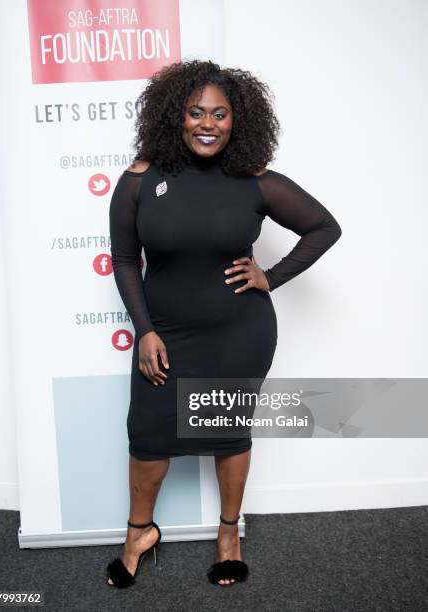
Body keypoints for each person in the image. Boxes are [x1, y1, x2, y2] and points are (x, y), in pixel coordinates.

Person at [106, 59, 342, 589]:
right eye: (195, 112)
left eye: (220, 113)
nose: (207, 123)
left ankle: (228, 535)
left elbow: (324, 228)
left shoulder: (254, 182)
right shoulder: (141, 180)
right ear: (176, 117)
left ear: (238, 121)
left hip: (239, 333)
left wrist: (272, 277)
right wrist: (145, 330)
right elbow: (125, 260)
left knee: (228, 432)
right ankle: (139, 532)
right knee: (149, 435)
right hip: (163, 331)